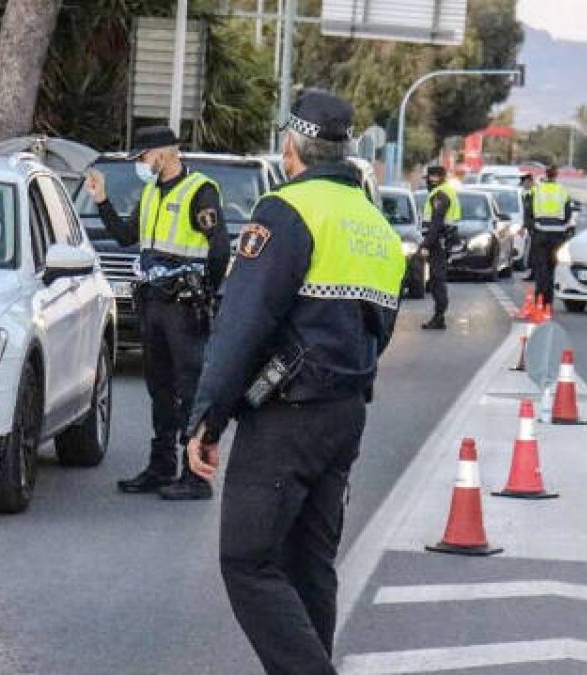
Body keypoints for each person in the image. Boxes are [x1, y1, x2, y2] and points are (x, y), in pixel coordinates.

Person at [184, 89, 404, 674]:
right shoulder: (377, 226)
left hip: (288, 415)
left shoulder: (286, 210)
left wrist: (208, 418)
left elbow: (243, 321)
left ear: (290, 148)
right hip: (345, 414)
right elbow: (380, 331)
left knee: (247, 561)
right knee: (309, 566)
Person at [83, 125, 230, 501]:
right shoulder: (151, 192)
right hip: (152, 303)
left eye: (145, 157)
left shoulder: (200, 190)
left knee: (190, 388)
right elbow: (124, 237)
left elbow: (219, 248)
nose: (142, 165)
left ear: (164, 153)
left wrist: (207, 292)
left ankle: (196, 476)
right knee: (160, 387)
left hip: (183, 307)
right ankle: (162, 465)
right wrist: (101, 201)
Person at [419, 165, 461, 330]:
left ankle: (439, 317)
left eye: (430, 178)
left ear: (436, 178)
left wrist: (426, 244)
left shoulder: (441, 194)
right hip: (441, 241)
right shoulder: (445, 191)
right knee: (437, 279)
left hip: (439, 242)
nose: (428, 181)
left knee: (437, 279)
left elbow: (436, 223)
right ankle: (439, 316)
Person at [529, 164, 573, 307]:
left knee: (541, 268)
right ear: (556, 175)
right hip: (557, 235)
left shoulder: (537, 190)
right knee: (551, 268)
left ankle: (539, 299)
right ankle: (548, 301)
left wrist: (533, 226)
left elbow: (529, 211)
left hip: (541, 232)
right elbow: (568, 214)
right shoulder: (562, 191)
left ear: (545, 174)